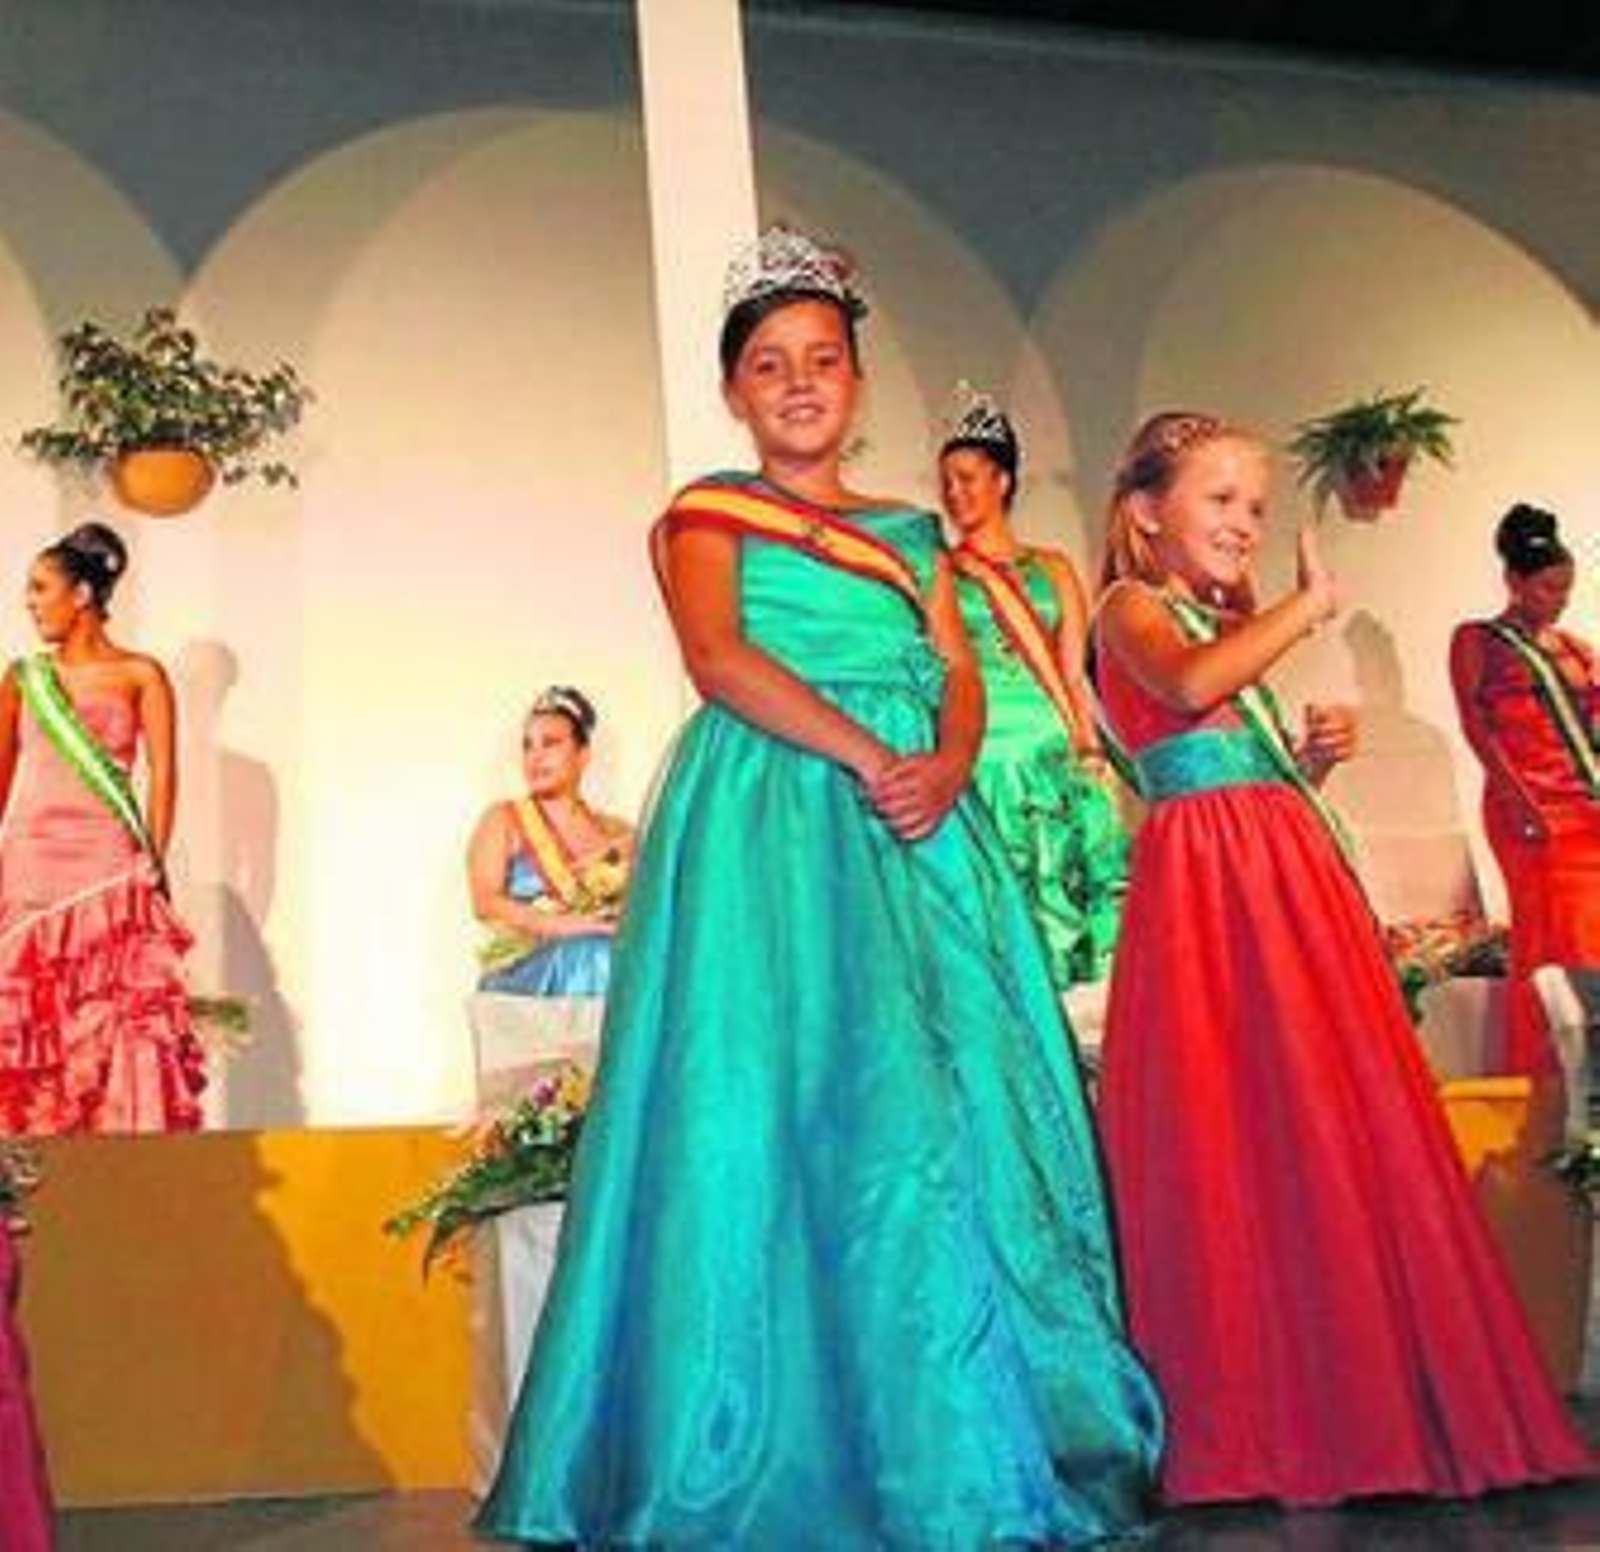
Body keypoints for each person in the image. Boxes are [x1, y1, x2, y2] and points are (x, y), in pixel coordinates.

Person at [475, 228, 1161, 1548]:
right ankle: (750, 1436)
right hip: (776, 819)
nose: (800, 384)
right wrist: (870, 757)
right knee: (771, 1103)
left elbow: (959, 666)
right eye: (771, 364)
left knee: (932, 1118)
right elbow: (719, 656)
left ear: (857, 381)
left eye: (825, 361)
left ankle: (946, 1438)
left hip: (920, 831)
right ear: (735, 390)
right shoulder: (704, 514)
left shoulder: (915, 532)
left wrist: (950, 759)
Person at [1094, 411, 1589, 1507]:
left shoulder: (1213, 619)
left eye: (1256, 508)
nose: (1243, 523)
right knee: (1234, 1131)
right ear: (1143, 511)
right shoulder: (1129, 607)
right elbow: (1179, 690)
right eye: (1219, 501)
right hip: (1213, 897)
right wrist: (1304, 607)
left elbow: (1224, 736)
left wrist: (1304, 763)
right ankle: (1254, 1412)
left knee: (1316, 1125)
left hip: (1278, 876)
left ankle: (1356, 1387)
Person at [0, 523, 205, 1134]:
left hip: (107, 866)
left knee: (115, 1011)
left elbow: (164, 776)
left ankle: (118, 1149)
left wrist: (154, 861)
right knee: (27, 1008)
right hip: (32, 867)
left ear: (83, 594)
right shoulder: (22, 678)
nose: (30, 602)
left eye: (41, 588)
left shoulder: (140, 674)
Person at [938, 387, 1127, 991]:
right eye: (947, 481)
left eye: (968, 477)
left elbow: (1073, 672)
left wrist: (1090, 748)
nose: (955, 493)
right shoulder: (942, 570)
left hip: (1051, 748)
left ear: (1003, 480)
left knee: (1069, 889)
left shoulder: (1053, 567)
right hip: (986, 753)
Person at [1449, 504, 1598, 1093]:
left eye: (1567, 588)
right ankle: (1544, 1079)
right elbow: (1476, 725)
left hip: (1588, 810)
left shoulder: (1577, 647)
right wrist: (1517, 801)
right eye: (1549, 587)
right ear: (1514, 581)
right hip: (1530, 810)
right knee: (1556, 940)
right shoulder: (1479, 641)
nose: (1560, 598)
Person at [467, 686, 633, 999]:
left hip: (601, 956)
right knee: (589, 952)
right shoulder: (503, 819)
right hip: (526, 975)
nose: (535, 756)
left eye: (551, 743)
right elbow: (485, 903)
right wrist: (568, 925)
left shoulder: (617, 831)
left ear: (583, 756)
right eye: (528, 746)